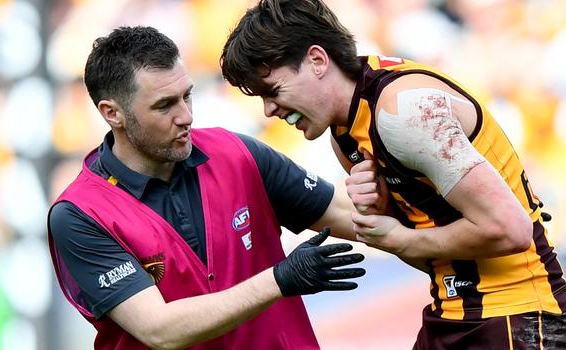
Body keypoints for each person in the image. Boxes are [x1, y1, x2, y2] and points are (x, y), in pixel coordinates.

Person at [220, 0, 566, 349]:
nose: (269, 110)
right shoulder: (346, 134)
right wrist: (382, 215)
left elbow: (511, 230)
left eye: (273, 90)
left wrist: (400, 237)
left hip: (520, 318)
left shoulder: (404, 112)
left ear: (317, 60)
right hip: (453, 315)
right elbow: (431, 257)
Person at [47, 25, 366, 350]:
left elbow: (354, 218)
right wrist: (279, 280)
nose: (186, 116)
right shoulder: (79, 215)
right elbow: (159, 330)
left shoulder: (238, 153)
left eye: (187, 95)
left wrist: (405, 207)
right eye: (164, 105)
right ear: (112, 113)